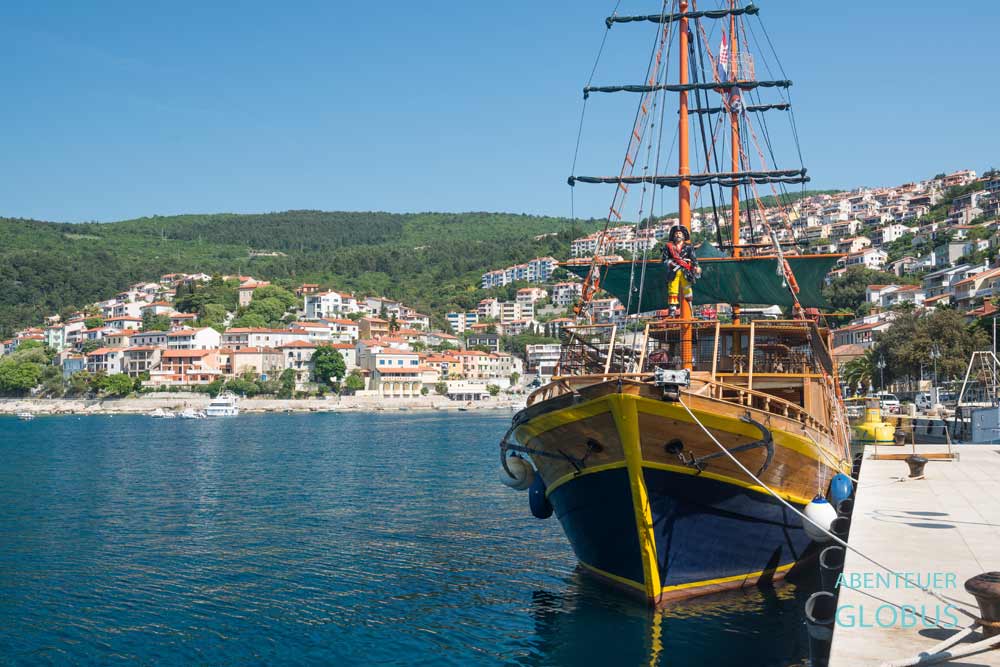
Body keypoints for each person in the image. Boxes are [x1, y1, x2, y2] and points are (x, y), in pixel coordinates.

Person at [661, 225, 700, 318]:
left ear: (683, 235)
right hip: (673, 271)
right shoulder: (668, 247)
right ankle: (672, 312)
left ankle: (691, 311)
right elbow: (664, 259)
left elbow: (693, 259)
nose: (678, 235)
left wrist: (696, 267)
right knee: (672, 291)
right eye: (676, 233)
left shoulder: (688, 247)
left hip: (685, 271)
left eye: (680, 233)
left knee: (688, 290)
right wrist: (670, 263)